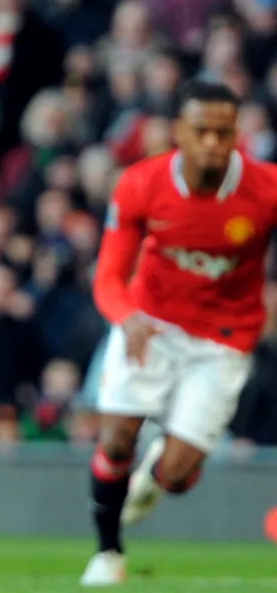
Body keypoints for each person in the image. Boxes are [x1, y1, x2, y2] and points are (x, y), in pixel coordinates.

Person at [82, 80, 272, 586]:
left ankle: (163, 471)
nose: (213, 142)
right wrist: (125, 317)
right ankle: (107, 554)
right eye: (202, 131)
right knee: (116, 438)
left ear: (237, 135)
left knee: (178, 477)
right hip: (150, 324)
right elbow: (107, 275)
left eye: (224, 132)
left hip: (223, 338)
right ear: (178, 133)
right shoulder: (141, 185)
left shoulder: (266, 189)